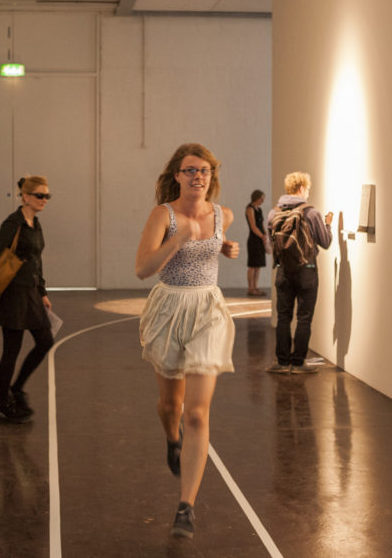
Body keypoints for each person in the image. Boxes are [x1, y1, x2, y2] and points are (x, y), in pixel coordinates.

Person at [135, 142, 240, 540]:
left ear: (212, 177)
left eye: (205, 171)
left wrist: (225, 247)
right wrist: (179, 240)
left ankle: (186, 506)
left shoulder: (222, 214)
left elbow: (216, 247)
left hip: (208, 311)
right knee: (171, 406)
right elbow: (143, 268)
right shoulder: (163, 215)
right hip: (168, 308)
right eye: (191, 170)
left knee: (197, 412)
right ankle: (171, 437)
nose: (198, 177)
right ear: (177, 176)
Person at [0, 175, 55, 424]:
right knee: (11, 350)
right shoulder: (13, 223)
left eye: (47, 196)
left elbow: (36, 260)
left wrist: (42, 291)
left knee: (45, 341)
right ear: (25, 197)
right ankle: (2, 404)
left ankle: (17, 388)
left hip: (31, 293)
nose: (44, 200)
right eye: (39, 195)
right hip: (13, 295)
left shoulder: (35, 223)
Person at [266, 171, 332, 375]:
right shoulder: (311, 212)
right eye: (308, 189)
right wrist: (328, 225)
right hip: (307, 270)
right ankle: (298, 363)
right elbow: (325, 242)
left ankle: (283, 362)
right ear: (302, 188)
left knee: (284, 317)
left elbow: (272, 243)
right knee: (304, 317)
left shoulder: (273, 213)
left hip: (283, 271)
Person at [245, 189, 267, 296]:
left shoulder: (260, 210)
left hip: (260, 239)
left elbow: (261, 224)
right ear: (256, 198)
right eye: (261, 198)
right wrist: (262, 236)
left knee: (258, 265)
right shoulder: (250, 209)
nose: (262, 201)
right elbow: (253, 227)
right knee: (252, 265)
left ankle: (255, 287)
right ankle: (250, 288)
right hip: (254, 240)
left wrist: (265, 234)